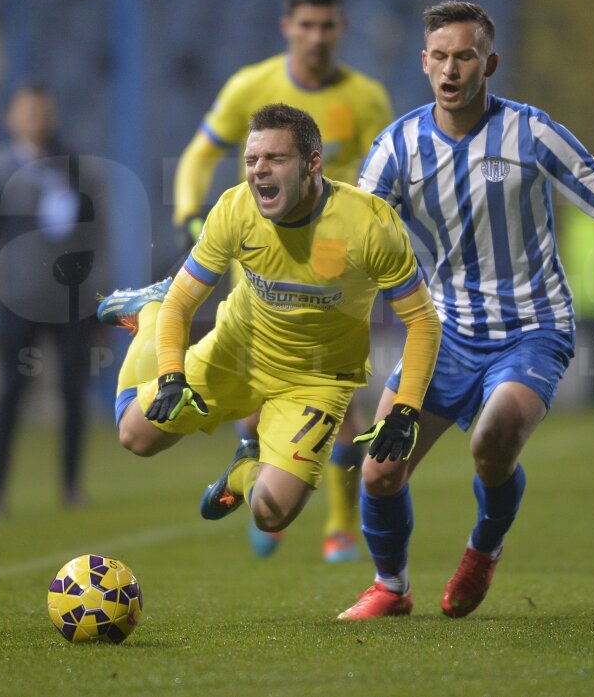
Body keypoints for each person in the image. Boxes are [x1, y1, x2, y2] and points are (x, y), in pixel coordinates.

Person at [339, 1, 594, 619]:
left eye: (465, 56)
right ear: (424, 62)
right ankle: (392, 588)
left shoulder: (530, 133)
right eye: (440, 57)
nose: (451, 70)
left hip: (533, 328)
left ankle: (485, 545)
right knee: (378, 473)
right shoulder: (397, 148)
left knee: (493, 438)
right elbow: (353, 239)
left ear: (490, 63)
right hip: (444, 335)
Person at [100, 104, 440, 549]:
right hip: (237, 351)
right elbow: (182, 301)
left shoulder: (370, 225)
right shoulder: (235, 209)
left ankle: (243, 471)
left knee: (270, 512)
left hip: (316, 381)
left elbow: (422, 322)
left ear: (312, 163)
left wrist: (406, 409)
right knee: (134, 435)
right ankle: (148, 311)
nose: (259, 171)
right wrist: (170, 374)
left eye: (275, 159)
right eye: (251, 160)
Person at [171, 0, 395, 561]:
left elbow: (388, 176)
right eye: (306, 25)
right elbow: (200, 153)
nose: (316, 36)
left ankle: (339, 524)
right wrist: (189, 216)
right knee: (259, 398)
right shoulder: (253, 85)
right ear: (287, 27)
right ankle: (259, 478)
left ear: (342, 29)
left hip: (337, 266)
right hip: (264, 258)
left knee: (336, 395)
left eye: (327, 25)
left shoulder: (367, 97)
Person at [0, 84, 103, 521]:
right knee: (11, 391)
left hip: (70, 301)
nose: (36, 120)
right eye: (28, 113)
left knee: (72, 393)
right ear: (11, 118)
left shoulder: (75, 167)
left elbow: (91, 232)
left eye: (43, 112)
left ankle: (70, 485)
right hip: (17, 298)